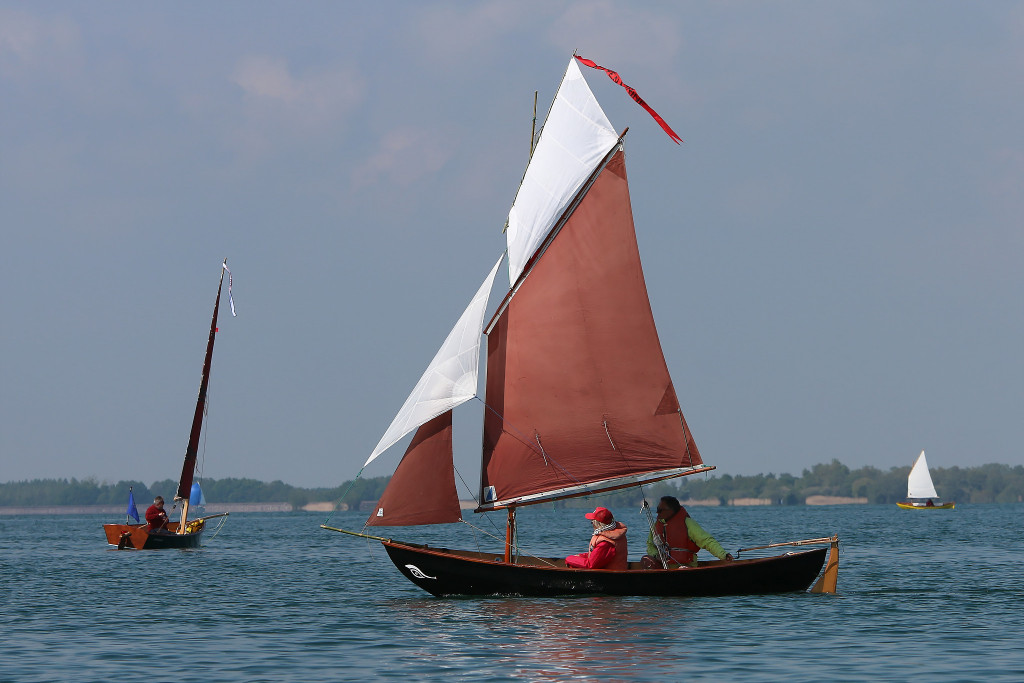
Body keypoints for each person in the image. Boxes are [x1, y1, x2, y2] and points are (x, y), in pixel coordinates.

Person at [642, 496, 733, 568]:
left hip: (686, 567)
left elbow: (707, 541)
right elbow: (650, 545)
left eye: (660, 510)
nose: (657, 513)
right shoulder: (656, 526)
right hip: (664, 567)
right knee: (645, 560)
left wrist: (723, 555)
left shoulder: (688, 523)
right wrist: (655, 555)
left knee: (682, 569)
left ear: (671, 510)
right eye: (657, 509)